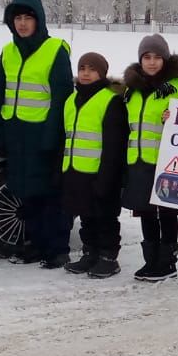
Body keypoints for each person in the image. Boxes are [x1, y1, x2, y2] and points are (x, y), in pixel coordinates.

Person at [0, 0, 73, 268]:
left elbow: (62, 98)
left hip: (43, 134)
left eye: (28, 18)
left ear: (39, 20)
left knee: (50, 194)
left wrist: (52, 139)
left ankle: (57, 249)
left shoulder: (55, 50)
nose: (23, 24)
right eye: (18, 18)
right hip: (16, 133)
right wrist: (0, 135)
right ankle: (35, 244)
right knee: (26, 193)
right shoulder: (8, 51)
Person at [121, 34, 178, 282]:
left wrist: (177, 118)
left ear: (165, 59)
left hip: (167, 162)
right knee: (145, 212)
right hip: (138, 161)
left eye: (157, 57)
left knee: (166, 212)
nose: (151, 62)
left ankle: (167, 261)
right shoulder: (132, 90)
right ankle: (150, 260)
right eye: (147, 57)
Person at [60, 51, 128, 279]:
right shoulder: (71, 100)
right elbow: (67, 137)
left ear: (102, 73)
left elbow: (114, 145)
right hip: (76, 171)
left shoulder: (110, 100)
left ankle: (108, 257)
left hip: (101, 173)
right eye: (82, 69)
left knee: (105, 217)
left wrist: (107, 178)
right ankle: (90, 253)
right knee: (86, 216)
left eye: (91, 69)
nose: (86, 74)